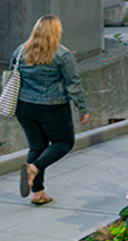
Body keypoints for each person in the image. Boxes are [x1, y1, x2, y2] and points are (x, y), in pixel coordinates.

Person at [13, 14, 90, 205]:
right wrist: (83, 108)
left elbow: (14, 78)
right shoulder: (62, 54)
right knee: (64, 142)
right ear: (56, 32)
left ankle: (38, 193)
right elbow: (73, 83)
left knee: (37, 147)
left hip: (24, 106)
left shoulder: (20, 51)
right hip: (51, 107)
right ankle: (34, 168)